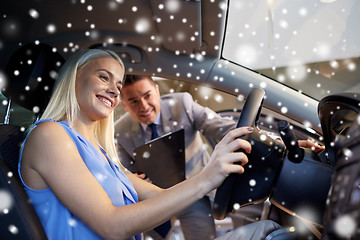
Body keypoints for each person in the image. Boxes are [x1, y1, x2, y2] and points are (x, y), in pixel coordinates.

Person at [18, 48, 281, 240]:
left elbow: (161, 197)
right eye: (103, 77)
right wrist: (207, 177)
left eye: (117, 83)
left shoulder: (101, 152)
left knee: (267, 230)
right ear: (74, 78)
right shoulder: (50, 136)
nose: (113, 89)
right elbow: (112, 225)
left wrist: (216, 175)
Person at [115, 75, 237, 239]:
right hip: (154, 200)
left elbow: (222, 127)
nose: (144, 106)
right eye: (134, 101)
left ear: (157, 91)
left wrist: (261, 136)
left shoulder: (182, 104)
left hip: (193, 191)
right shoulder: (120, 131)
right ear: (124, 105)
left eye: (147, 96)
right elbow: (124, 173)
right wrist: (134, 181)